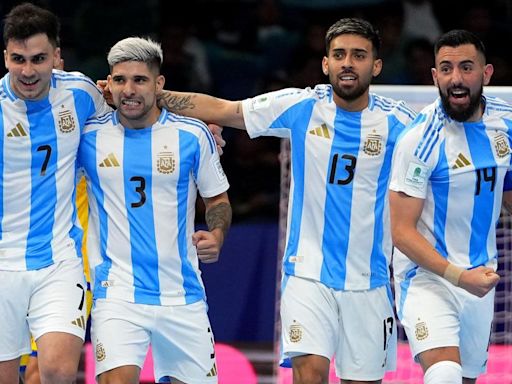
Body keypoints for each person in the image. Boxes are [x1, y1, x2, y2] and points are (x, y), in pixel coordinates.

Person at [153, 18, 417, 383]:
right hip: (306, 274)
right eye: (338, 55)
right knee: (309, 376)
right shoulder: (302, 105)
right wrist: (148, 95)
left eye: (358, 55)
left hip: (369, 281)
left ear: (376, 66)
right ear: (325, 63)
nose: (347, 63)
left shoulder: (402, 124)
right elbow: (226, 110)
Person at [78, 36, 231, 383]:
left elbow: (217, 199)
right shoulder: (87, 137)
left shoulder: (193, 135)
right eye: (119, 80)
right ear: (108, 84)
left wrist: (218, 234)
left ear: (158, 84)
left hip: (182, 295)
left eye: (139, 80)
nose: (129, 89)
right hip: (116, 294)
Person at [389, 29, 511, 383]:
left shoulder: (506, 124)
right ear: (434, 76)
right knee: (444, 374)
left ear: (486, 74)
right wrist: (459, 277)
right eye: (446, 69)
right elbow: (401, 232)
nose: (456, 79)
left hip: (480, 277)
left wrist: (472, 279)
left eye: (466, 68)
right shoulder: (420, 139)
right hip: (427, 278)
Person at [0, 3, 112, 384]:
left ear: (57, 58)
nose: (28, 71)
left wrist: (205, 133)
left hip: (60, 261)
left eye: (38, 59)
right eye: (18, 59)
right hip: (2, 264)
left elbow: (130, 117)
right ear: (5, 57)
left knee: (58, 370)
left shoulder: (81, 93)